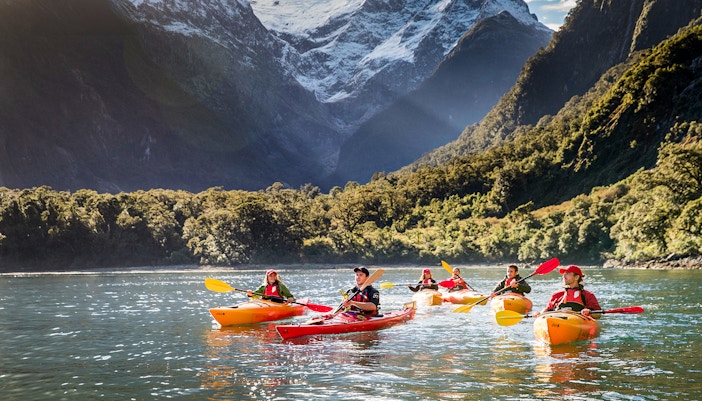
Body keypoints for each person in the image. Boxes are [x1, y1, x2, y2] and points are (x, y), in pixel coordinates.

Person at [534, 265, 601, 318]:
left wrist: (589, 311)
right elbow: (547, 310)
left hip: (578, 321)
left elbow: (598, 314)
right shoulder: (557, 295)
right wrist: (540, 314)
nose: (564, 276)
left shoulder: (587, 295)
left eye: (567, 273)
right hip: (557, 321)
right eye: (564, 273)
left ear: (576, 277)